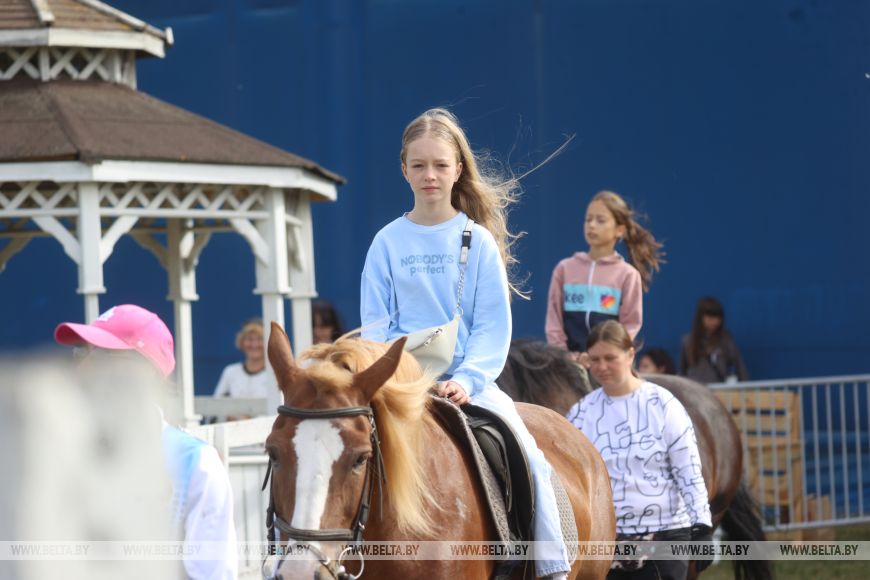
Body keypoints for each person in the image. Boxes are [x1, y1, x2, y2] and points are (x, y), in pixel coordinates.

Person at [360, 108, 569, 579]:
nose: (429, 175)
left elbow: (493, 326)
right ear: (404, 170)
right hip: (400, 386)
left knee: (530, 457)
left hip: (469, 384)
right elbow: (375, 328)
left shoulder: (477, 241)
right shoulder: (386, 243)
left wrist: (468, 381)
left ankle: (551, 565)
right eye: (418, 165)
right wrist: (403, 381)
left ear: (458, 168)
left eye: (439, 164)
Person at [55, 304, 238, 580]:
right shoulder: (58, 451)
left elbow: (211, 573)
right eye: (79, 351)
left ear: (146, 371)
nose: (83, 365)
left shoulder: (194, 462)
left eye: (99, 353)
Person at [566, 320, 712, 580]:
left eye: (610, 358)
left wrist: (702, 524)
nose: (601, 367)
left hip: (665, 537)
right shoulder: (580, 413)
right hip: (606, 542)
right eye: (594, 359)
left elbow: (688, 469)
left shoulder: (664, 404)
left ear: (631, 354)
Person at [545, 190, 663, 363]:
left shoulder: (628, 275)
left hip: (608, 365)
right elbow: (554, 322)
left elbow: (629, 326)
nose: (591, 225)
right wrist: (565, 356)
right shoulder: (564, 269)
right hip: (568, 365)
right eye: (588, 219)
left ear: (619, 230)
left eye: (600, 220)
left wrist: (599, 357)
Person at [213, 318, 281, 417]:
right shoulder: (230, 371)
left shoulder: (275, 374)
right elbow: (215, 408)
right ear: (242, 342)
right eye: (249, 339)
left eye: (259, 339)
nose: (254, 344)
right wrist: (232, 418)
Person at [679, 296, 749, 384]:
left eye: (718, 318)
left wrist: (745, 388)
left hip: (720, 391)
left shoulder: (726, 339)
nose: (715, 322)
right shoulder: (688, 341)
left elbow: (739, 367)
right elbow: (683, 370)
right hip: (695, 391)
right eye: (710, 317)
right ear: (700, 317)